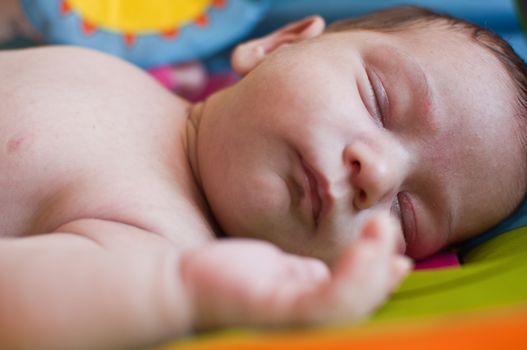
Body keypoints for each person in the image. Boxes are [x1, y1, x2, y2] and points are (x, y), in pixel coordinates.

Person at [1, 5, 526, 350]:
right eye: (379, 100)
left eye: (406, 217)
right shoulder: (133, 76)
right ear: (277, 46)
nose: (380, 174)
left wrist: (183, 292)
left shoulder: (159, 243)